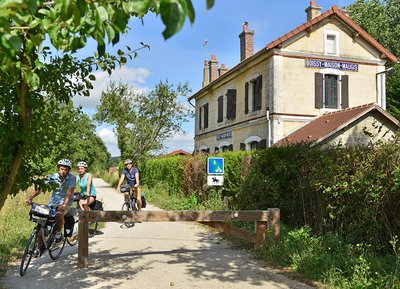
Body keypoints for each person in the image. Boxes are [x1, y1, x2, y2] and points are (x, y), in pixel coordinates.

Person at [25, 159, 76, 255]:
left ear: (68, 170)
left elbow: (69, 193)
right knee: (42, 224)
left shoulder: (72, 178)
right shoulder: (53, 177)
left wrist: (64, 204)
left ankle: (58, 234)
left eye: (65, 169)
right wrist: (30, 198)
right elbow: (41, 188)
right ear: (58, 168)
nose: (63, 171)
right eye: (61, 169)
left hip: (66, 203)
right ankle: (38, 249)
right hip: (52, 203)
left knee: (59, 214)